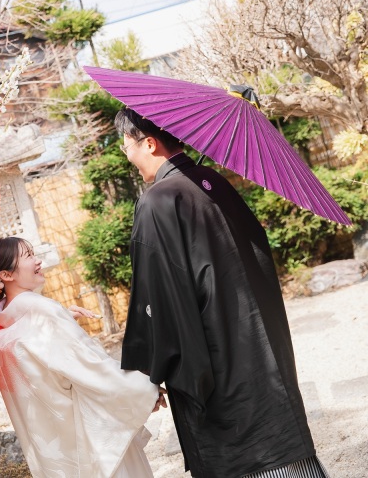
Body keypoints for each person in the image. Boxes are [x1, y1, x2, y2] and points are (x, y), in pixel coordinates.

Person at [115, 107, 329, 478]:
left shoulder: (158, 202)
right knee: (277, 425)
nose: (126, 155)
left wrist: (146, 367)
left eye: (126, 145)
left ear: (149, 144)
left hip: (213, 351)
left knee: (237, 445)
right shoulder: (212, 181)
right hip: (259, 339)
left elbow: (159, 297)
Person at [0, 236, 163, 478]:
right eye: (28, 256)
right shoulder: (44, 314)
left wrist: (62, 320)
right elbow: (92, 368)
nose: (38, 261)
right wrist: (144, 390)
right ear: (5, 275)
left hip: (55, 454)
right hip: (89, 439)